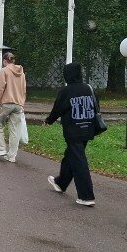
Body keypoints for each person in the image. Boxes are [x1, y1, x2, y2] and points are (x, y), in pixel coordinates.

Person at [44, 62, 98, 206]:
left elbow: (58, 109)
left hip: (73, 130)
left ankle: (86, 196)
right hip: (88, 129)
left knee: (79, 161)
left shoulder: (66, 91)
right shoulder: (88, 88)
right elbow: (96, 106)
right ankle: (60, 183)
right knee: (71, 156)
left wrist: (49, 120)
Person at [0, 52, 27, 163]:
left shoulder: (4, 71)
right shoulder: (21, 73)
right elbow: (24, 90)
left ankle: (2, 149)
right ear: (13, 60)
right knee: (15, 130)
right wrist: (22, 104)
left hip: (6, 103)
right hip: (18, 104)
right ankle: (12, 156)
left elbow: (0, 88)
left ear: (5, 60)